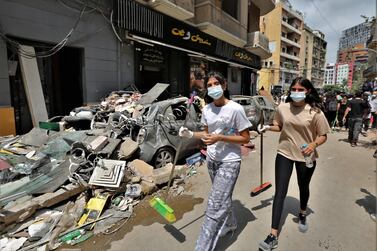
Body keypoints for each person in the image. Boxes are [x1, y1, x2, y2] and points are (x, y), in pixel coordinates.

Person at [179, 71, 251, 251]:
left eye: (215, 84)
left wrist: (221, 138)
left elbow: (245, 138)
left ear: (224, 85)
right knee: (222, 199)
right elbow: (206, 134)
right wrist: (190, 134)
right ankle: (231, 223)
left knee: (213, 206)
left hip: (230, 161)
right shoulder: (207, 109)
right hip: (212, 160)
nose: (212, 88)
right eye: (209, 85)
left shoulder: (235, 109)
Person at [257, 77, 330, 251]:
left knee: (303, 187)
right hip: (284, 153)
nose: (296, 92)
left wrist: (313, 145)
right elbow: (279, 126)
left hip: (306, 157)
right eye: (294, 89)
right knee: (280, 192)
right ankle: (273, 234)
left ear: (308, 91)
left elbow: (323, 135)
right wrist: (267, 127)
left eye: (300, 89)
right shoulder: (282, 107)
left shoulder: (315, 112)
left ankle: (303, 212)